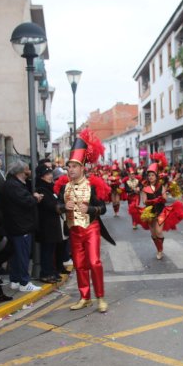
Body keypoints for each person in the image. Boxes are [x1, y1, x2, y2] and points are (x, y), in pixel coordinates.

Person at [56, 129, 115, 313]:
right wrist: (64, 206)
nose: (70, 169)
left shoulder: (93, 186)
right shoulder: (63, 187)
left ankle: (100, 298)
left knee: (94, 262)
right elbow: (56, 206)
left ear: (82, 167)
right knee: (79, 265)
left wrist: (89, 209)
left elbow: (103, 209)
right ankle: (84, 297)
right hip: (74, 230)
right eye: (69, 166)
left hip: (91, 228)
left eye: (74, 166)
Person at [129, 152, 183, 260]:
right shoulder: (145, 189)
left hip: (161, 211)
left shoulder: (161, 187)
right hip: (149, 213)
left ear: (156, 176)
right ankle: (158, 249)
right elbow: (145, 201)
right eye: (149, 175)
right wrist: (152, 201)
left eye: (152, 175)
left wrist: (162, 199)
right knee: (154, 234)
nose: (150, 177)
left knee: (159, 231)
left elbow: (165, 199)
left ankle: (160, 250)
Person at [1, 161, 43, 292]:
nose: (28, 172)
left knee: (16, 255)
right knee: (22, 255)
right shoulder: (14, 185)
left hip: (15, 225)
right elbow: (25, 201)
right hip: (21, 225)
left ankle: (15, 280)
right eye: (26, 169)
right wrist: (35, 198)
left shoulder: (12, 183)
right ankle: (24, 282)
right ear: (20, 171)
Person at [35, 164, 64, 284]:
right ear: (41, 177)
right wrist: (59, 206)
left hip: (53, 223)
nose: (50, 176)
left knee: (52, 249)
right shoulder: (41, 189)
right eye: (47, 174)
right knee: (47, 250)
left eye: (50, 174)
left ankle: (52, 271)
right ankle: (45, 273)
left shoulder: (52, 187)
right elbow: (50, 204)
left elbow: (58, 199)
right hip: (46, 224)